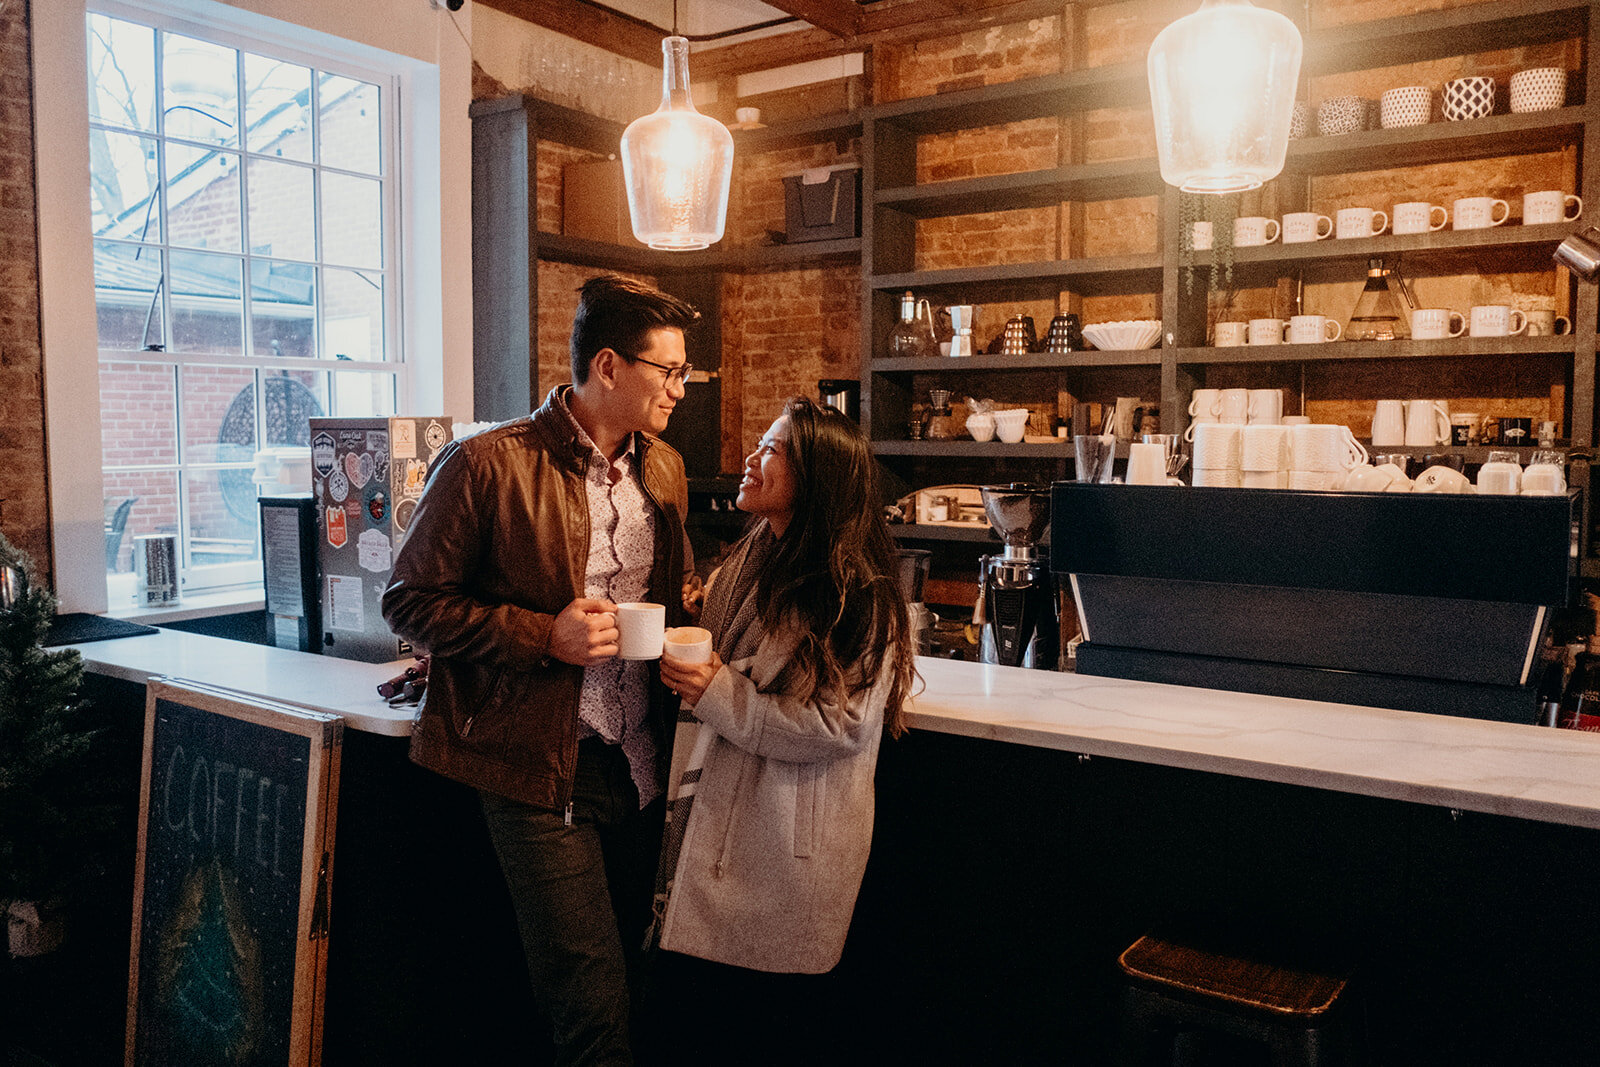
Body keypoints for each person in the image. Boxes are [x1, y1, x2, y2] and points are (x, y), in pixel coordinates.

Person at [382, 274, 701, 1066]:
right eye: (670, 371)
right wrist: (541, 635)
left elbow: (676, 587)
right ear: (608, 366)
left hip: (640, 765)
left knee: (640, 974)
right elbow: (408, 600)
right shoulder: (487, 464)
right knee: (589, 1000)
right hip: (534, 767)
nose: (681, 389)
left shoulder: (665, 471)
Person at [648, 396, 918, 1062]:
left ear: (817, 476)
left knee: (761, 1029)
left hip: (780, 847)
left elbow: (841, 723)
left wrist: (717, 690)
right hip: (722, 835)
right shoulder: (751, 558)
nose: (750, 457)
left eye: (771, 449)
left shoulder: (855, 590)